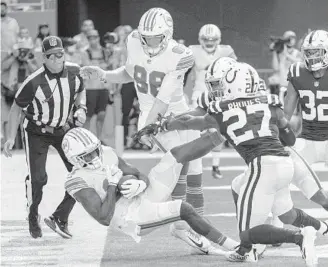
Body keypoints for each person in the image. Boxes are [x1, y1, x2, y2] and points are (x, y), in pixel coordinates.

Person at [140, 62, 322, 265]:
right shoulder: (268, 103)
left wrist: (164, 124)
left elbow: (190, 122)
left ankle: (297, 237)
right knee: (261, 199)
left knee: (249, 233)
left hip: (263, 166)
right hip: (284, 161)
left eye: (221, 85)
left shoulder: (221, 110)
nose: (217, 91)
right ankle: (319, 228)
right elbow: (289, 140)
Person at [80, 8, 205, 249]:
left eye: (155, 37)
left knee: (196, 173)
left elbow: (164, 99)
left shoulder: (180, 55)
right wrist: (105, 75)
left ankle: (196, 228)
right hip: (154, 116)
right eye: (146, 36)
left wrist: (146, 128)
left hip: (178, 112)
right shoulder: (134, 41)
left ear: (167, 34)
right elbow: (132, 72)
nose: (149, 41)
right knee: (181, 162)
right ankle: (180, 226)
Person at [63, 127, 240, 256]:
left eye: (95, 151)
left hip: (141, 195)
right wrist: (112, 185)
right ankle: (234, 247)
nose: (94, 157)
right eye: (87, 156)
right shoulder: (77, 181)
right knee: (183, 209)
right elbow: (104, 218)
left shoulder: (107, 153)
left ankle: (223, 133)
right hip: (130, 217)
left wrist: (140, 183)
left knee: (176, 155)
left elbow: (139, 174)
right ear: (74, 159)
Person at [3, 36, 87, 239]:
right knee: (39, 180)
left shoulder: (75, 72)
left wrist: (81, 108)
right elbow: (16, 109)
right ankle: (33, 215)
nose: (58, 59)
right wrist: (10, 138)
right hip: (36, 131)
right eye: (52, 56)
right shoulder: (34, 81)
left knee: (84, 173)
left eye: (61, 54)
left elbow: (80, 91)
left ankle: (60, 216)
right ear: (44, 58)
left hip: (63, 129)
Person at [283, 30, 328, 213]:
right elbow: (287, 112)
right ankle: (278, 221)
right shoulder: (297, 71)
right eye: (309, 52)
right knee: (283, 172)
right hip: (307, 137)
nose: (312, 56)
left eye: (316, 52)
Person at [188, 24, 237, 179]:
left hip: (218, 94)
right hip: (199, 93)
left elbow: (236, 71)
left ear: (218, 40)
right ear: (200, 39)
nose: (209, 42)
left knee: (218, 130)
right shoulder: (193, 51)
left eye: (213, 39)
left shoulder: (226, 51)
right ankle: (196, 165)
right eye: (206, 39)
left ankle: (215, 165)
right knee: (196, 131)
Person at [81, 29, 111, 142]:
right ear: (88, 40)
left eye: (95, 37)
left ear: (98, 38)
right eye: (90, 38)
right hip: (90, 88)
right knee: (88, 116)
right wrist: (101, 66)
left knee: (101, 115)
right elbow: (88, 68)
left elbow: (109, 67)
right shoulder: (85, 52)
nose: (93, 40)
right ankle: (86, 140)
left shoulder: (105, 51)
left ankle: (99, 139)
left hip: (103, 88)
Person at [271, 30, 302, 104]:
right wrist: (274, 52)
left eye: (292, 38)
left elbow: (300, 63)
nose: (290, 40)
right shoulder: (280, 54)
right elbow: (275, 68)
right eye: (288, 38)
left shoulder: (297, 53)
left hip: (294, 85)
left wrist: (286, 55)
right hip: (282, 85)